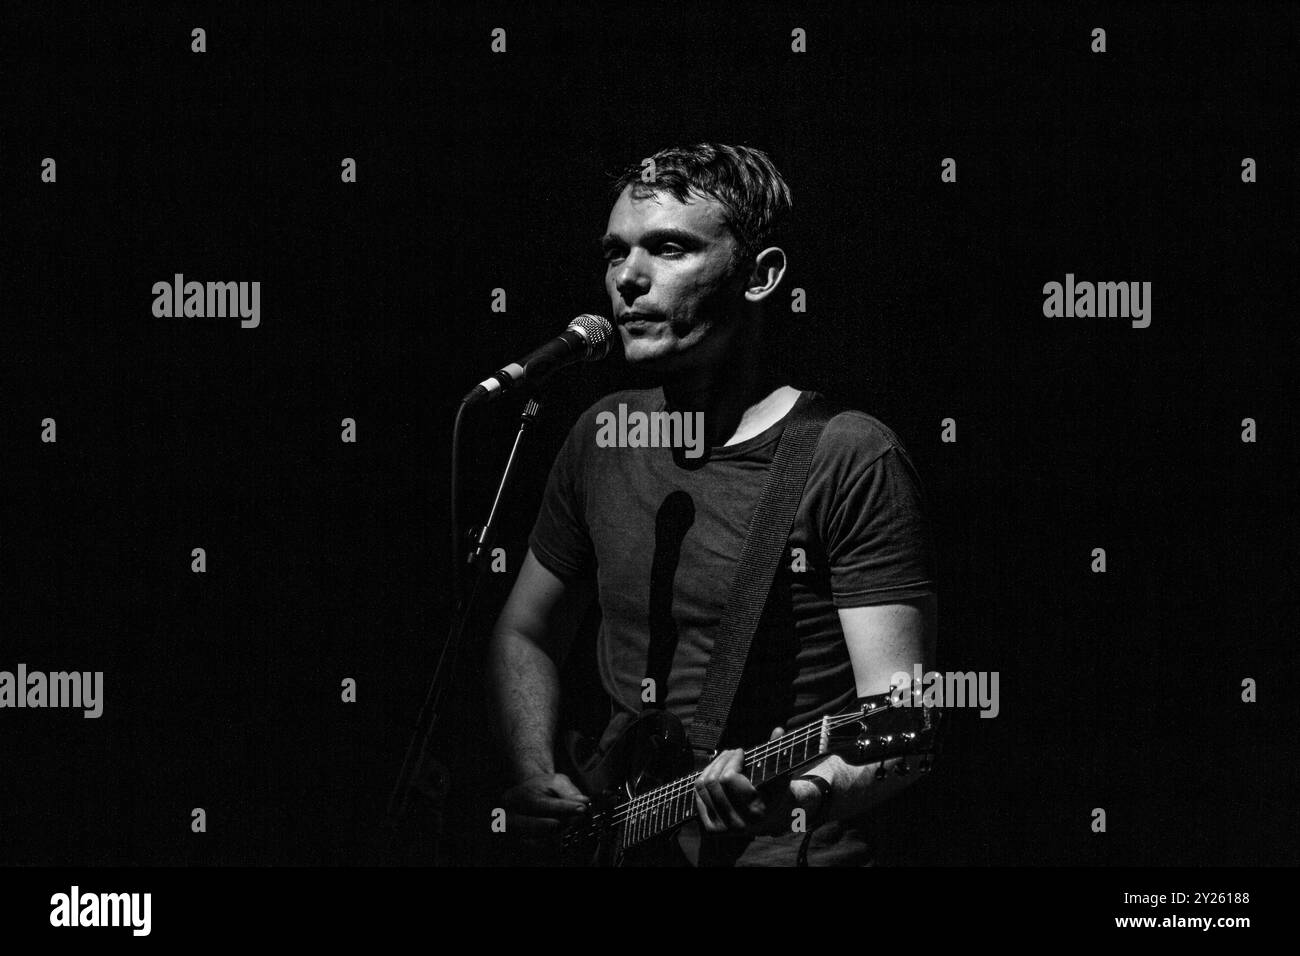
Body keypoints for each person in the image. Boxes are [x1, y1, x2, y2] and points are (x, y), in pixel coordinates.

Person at [488, 142, 938, 865]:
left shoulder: (848, 456)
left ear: (760, 276)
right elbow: (525, 633)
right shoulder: (602, 436)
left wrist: (804, 794)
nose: (628, 279)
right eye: (615, 253)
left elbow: (906, 722)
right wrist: (536, 777)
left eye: (668, 249)